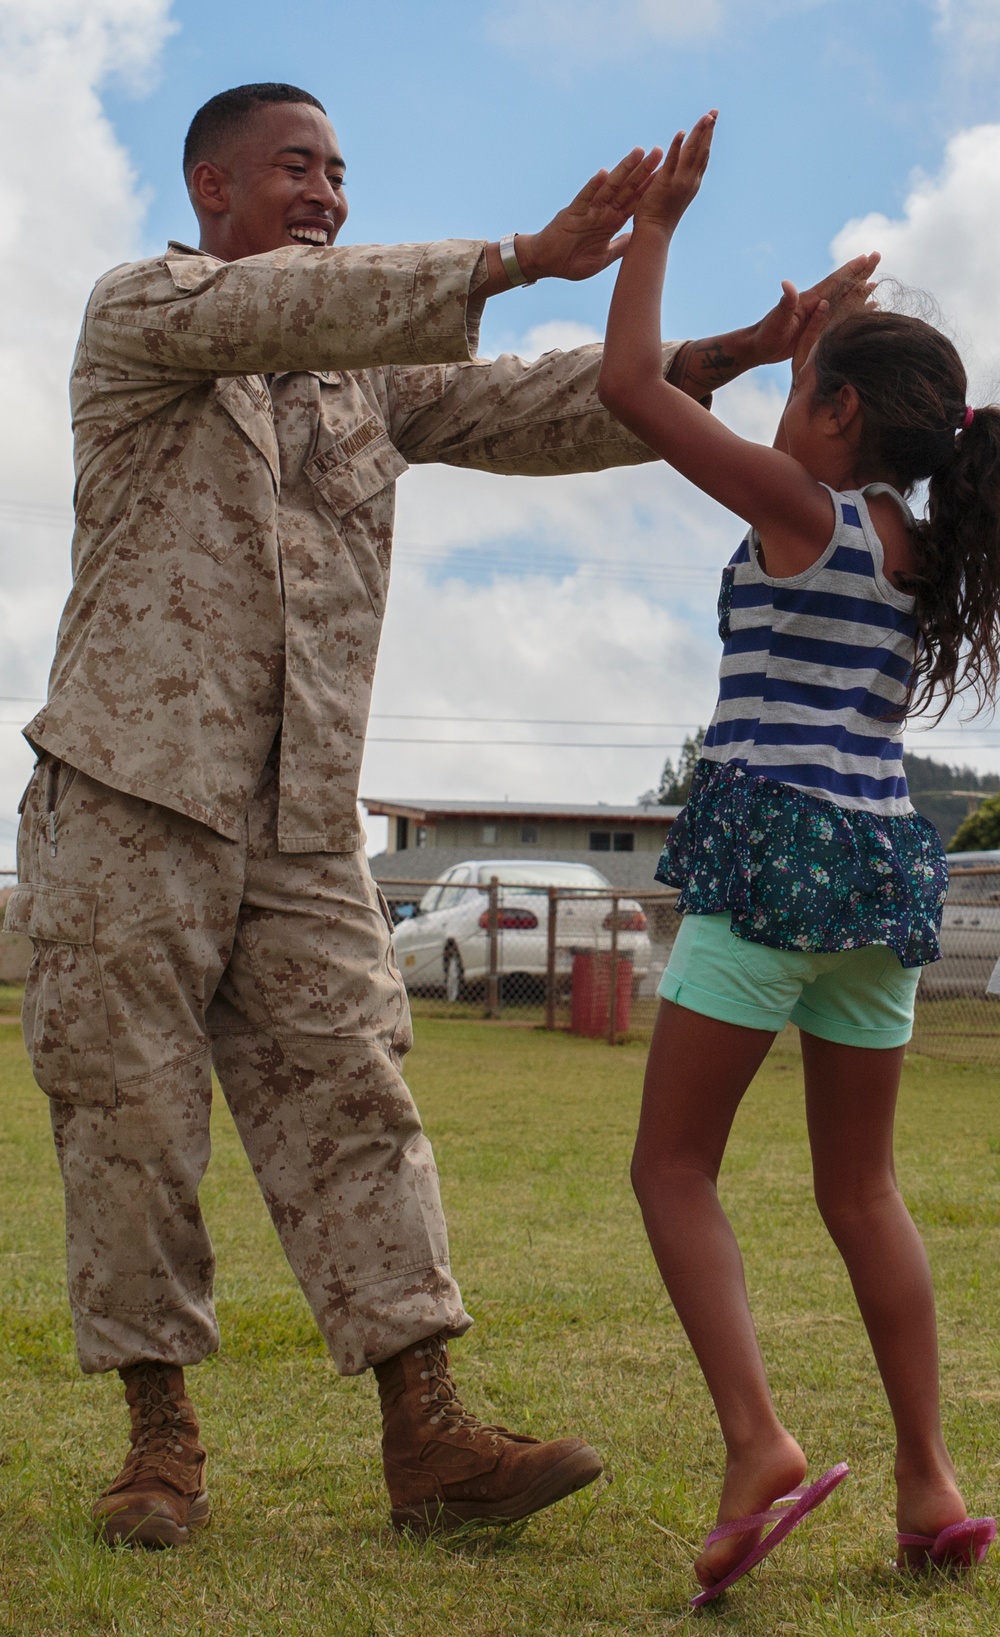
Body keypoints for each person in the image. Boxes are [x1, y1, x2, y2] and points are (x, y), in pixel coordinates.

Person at [3, 82, 875, 1550]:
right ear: (211, 189)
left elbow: (556, 405)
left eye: (342, 172)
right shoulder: (144, 313)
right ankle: (159, 1443)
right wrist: (518, 255)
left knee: (363, 1102)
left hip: (299, 815)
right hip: (126, 793)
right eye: (297, 167)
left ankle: (431, 1435)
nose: (328, 193)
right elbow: (295, 312)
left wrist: (732, 350)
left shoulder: (372, 385)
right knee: (129, 1122)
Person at [598, 113, 999, 1604]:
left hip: (773, 858)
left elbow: (628, 387)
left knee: (673, 1166)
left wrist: (660, 225)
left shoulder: (796, 514)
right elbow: (789, 448)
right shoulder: (913, 550)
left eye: (803, 393)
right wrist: (806, 341)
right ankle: (928, 1482)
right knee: (863, 1191)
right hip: (882, 876)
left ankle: (759, 1440)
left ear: (832, 417)